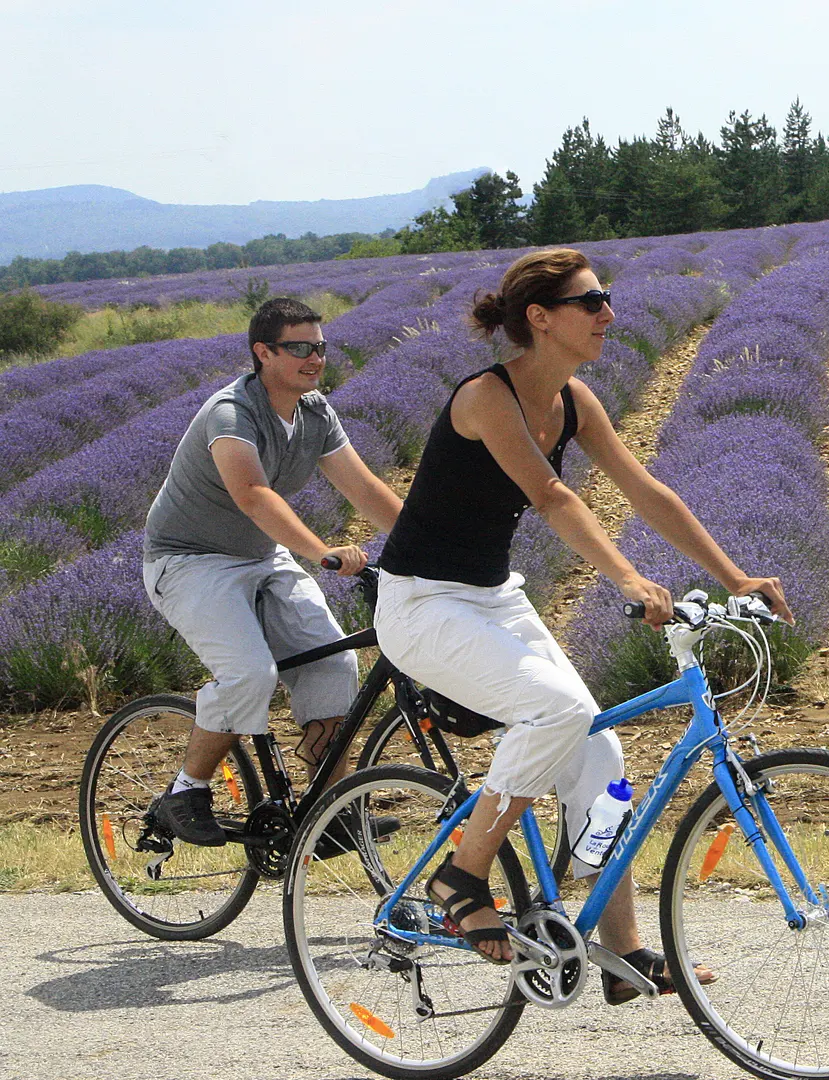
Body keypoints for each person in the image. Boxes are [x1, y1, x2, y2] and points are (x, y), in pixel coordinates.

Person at [373, 248, 791, 1002]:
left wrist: (735, 576)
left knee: (597, 745)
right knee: (558, 710)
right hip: (421, 604)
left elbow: (647, 492)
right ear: (539, 318)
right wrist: (628, 578)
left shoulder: (575, 399)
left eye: (608, 298)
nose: (608, 313)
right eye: (591, 301)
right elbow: (552, 495)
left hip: (492, 595)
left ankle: (625, 956)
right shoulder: (485, 398)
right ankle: (462, 876)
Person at [143, 297, 404, 851]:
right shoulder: (230, 413)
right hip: (189, 559)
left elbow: (361, 488)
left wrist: (431, 546)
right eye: (300, 347)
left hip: (262, 557)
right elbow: (254, 495)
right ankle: (185, 791)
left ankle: (329, 809)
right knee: (249, 674)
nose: (316, 357)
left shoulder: (315, 412)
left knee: (333, 660)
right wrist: (321, 551)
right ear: (263, 352)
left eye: (321, 347)